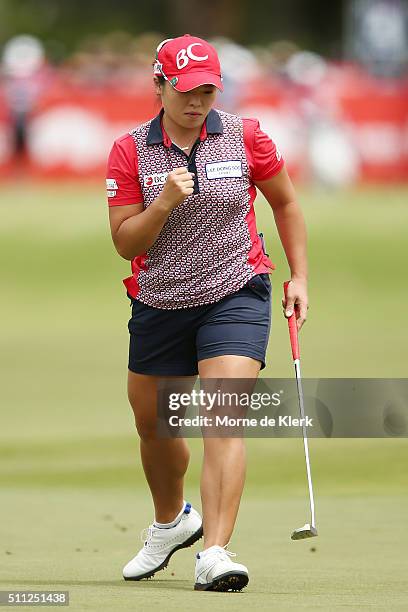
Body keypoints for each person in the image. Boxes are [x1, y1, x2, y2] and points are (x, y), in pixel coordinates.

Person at [106, 34, 308, 592]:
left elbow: (286, 202)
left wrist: (299, 276)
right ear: (159, 85)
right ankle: (173, 522)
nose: (197, 101)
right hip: (161, 301)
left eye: (208, 90)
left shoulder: (245, 136)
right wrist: (164, 202)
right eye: (186, 89)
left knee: (224, 418)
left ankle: (216, 551)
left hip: (236, 290)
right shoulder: (130, 150)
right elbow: (125, 244)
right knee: (154, 425)